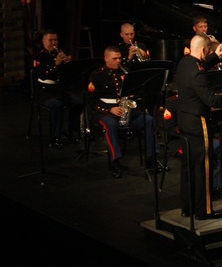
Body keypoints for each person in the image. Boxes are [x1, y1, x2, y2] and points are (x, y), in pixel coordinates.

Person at [176, 35, 222, 219]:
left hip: (184, 120)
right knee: (203, 166)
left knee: (189, 165)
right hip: (198, 122)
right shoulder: (197, 73)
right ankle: (204, 210)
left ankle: (187, 207)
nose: (207, 54)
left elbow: (200, 67)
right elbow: (211, 99)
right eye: (207, 51)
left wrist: (216, 55)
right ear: (202, 50)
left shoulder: (184, 63)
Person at [87, 46, 157, 178]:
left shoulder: (125, 72)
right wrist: (109, 109)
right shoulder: (97, 75)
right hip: (105, 112)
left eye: (119, 58)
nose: (118, 61)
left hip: (126, 110)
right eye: (115, 58)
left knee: (148, 120)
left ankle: (151, 158)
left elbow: (134, 92)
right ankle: (115, 161)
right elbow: (91, 101)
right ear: (106, 59)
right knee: (111, 125)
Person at [31, 29, 82, 147]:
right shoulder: (39, 57)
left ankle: (71, 131)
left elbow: (70, 75)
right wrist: (56, 65)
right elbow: (42, 76)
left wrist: (68, 64)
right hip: (44, 91)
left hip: (58, 89)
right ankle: (55, 136)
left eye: (56, 40)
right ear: (43, 41)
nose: (54, 43)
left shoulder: (60, 53)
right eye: (51, 40)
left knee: (78, 102)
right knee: (57, 105)